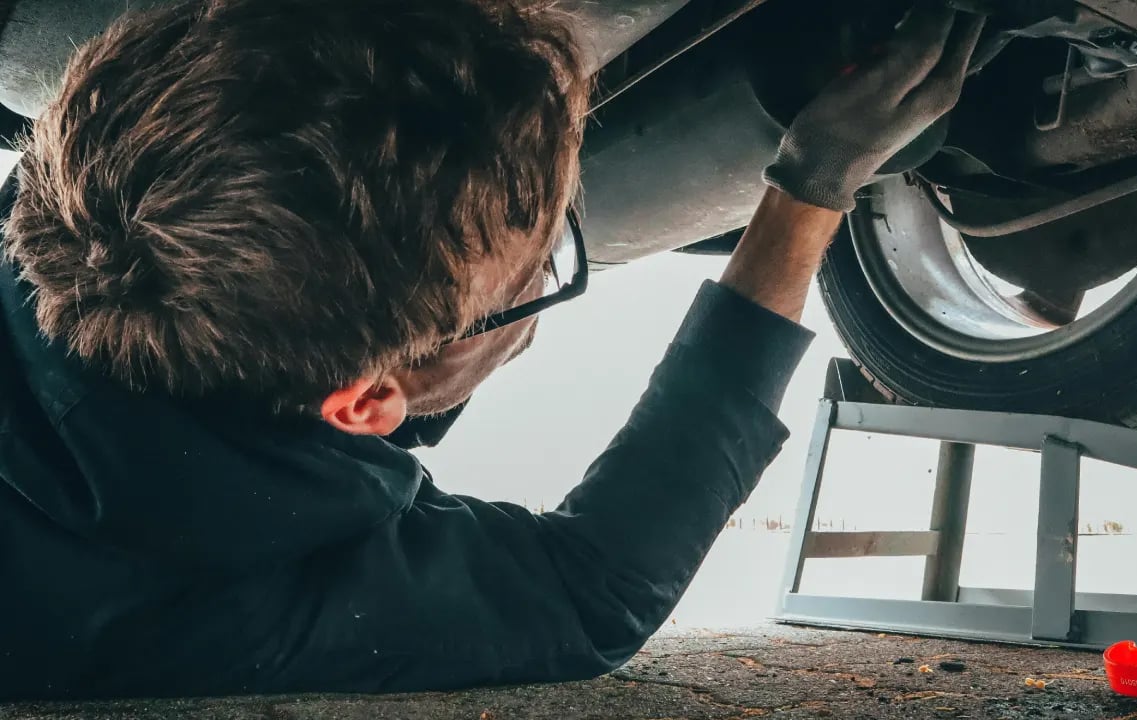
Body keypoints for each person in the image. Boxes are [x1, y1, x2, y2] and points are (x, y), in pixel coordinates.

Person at [0, 0, 983, 700]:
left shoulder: (103, 193)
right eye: (538, 264)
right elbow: (593, 590)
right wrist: (808, 188)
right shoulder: (211, 608)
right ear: (363, 403)